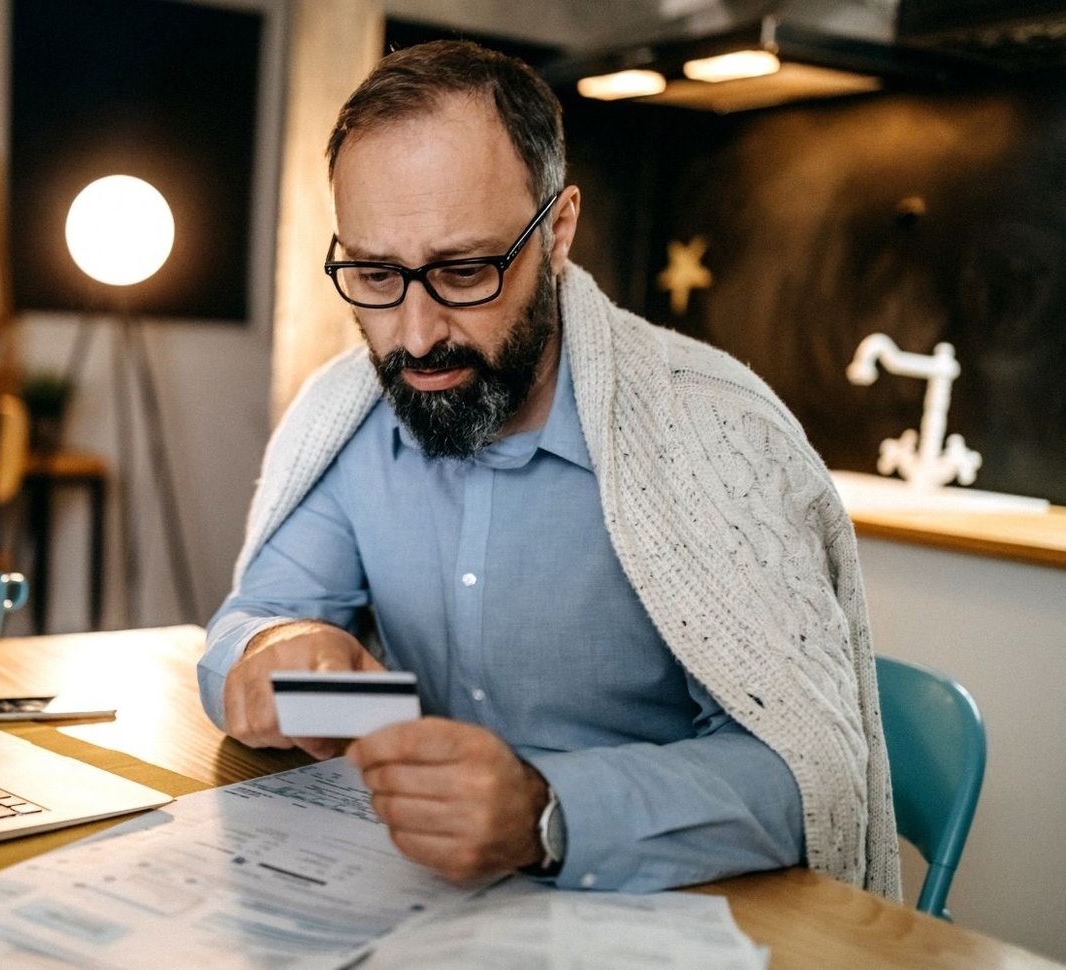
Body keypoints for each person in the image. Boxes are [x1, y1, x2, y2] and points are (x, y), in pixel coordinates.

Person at [198, 39, 899, 897]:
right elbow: (251, 625)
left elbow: (811, 783)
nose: (416, 336)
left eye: (464, 270)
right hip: (412, 902)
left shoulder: (718, 436)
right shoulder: (347, 417)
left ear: (557, 230)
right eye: (376, 273)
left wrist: (546, 812)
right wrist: (276, 649)